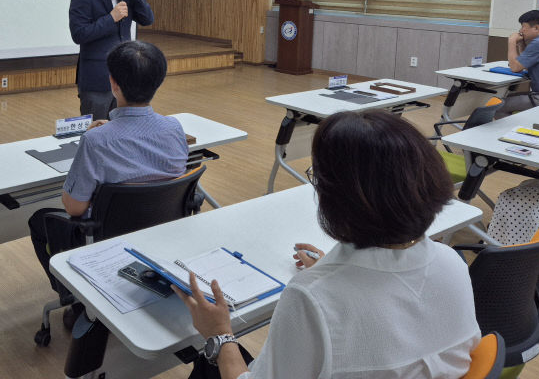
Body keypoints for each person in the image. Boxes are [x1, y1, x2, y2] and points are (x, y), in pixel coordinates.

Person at [175, 111, 481, 379]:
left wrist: (219, 336)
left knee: (212, 363)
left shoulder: (311, 297)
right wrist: (335, 272)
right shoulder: (451, 261)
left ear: (335, 199)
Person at [28, 40, 188, 322]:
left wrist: (99, 137)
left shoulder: (96, 140)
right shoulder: (174, 128)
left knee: (40, 220)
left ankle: (73, 297)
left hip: (108, 240)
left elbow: (74, 208)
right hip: (160, 235)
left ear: (113, 83)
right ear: (158, 82)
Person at [69, 0, 155, 121]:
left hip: (125, 79)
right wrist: (111, 18)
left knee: (123, 131)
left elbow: (147, 19)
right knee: (97, 133)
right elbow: (79, 34)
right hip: (97, 80)